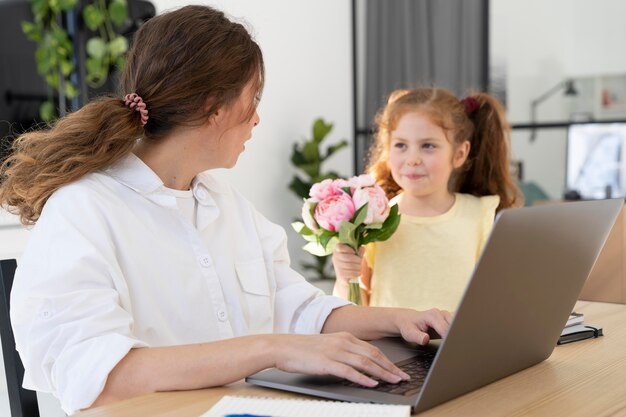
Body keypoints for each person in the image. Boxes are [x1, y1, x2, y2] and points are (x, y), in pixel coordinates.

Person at [0, 6, 451, 414]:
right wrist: (271, 349)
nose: (257, 118)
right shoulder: (83, 212)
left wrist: (397, 319)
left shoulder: (224, 203)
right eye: (252, 99)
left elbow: (298, 309)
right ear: (212, 108)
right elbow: (101, 378)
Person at [332, 87, 522, 310]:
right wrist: (344, 279)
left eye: (428, 146)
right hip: (388, 345)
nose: (412, 159)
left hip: (457, 345)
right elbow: (355, 308)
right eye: (401, 145)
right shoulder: (372, 220)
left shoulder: (481, 216)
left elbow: (498, 299)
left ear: (459, 154)